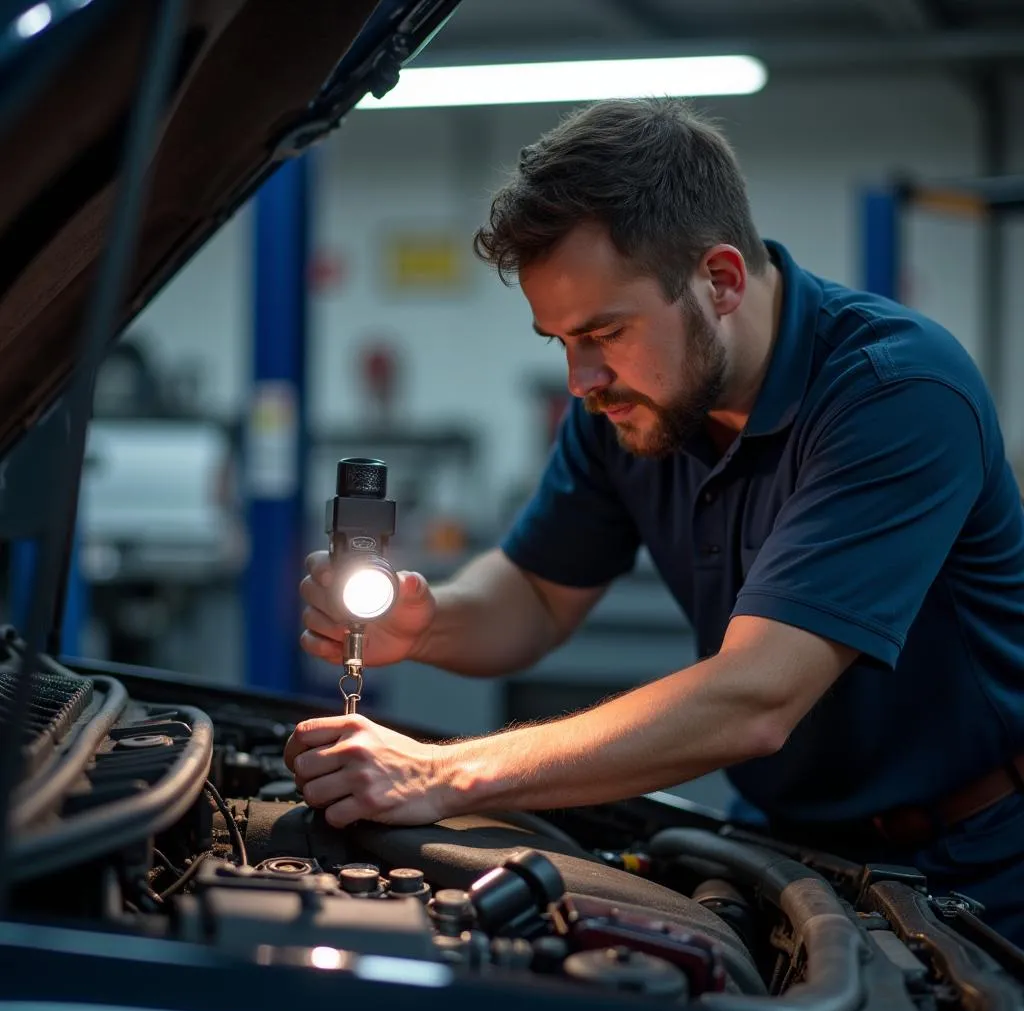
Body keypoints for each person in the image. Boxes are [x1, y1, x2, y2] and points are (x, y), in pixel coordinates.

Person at [285, 97, 1024, 945]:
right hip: (786, 851)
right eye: (559, 340)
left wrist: (446, 773)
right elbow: (534, 593)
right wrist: (424, 622)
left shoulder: (896, 396)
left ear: (720, 281)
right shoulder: (633, 410)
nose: (580, 378)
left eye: (603, 331)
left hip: (973, 871)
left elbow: (755, 697)